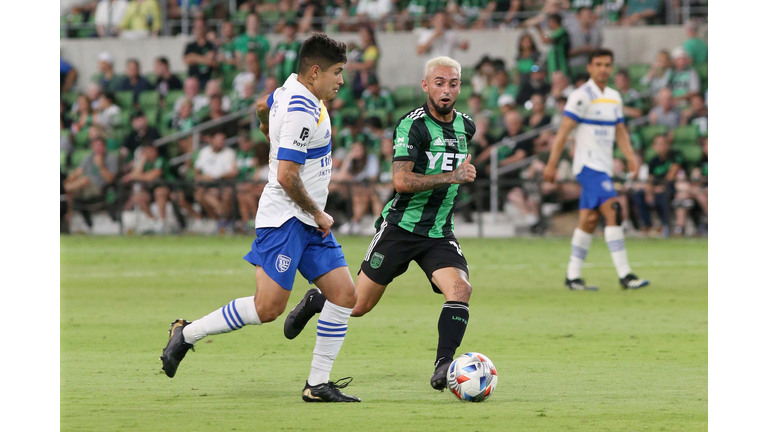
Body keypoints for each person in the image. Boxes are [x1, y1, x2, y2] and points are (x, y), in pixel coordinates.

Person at [161, 33, 361, 403]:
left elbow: (260, 105)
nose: (341, 81)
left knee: (345, 295)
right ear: (315, 71)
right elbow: (286, 176)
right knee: (267, 308)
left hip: (307, 220)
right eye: (336, 72)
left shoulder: (288, 89)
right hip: (286, 218)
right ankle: (185, 334)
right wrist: (318, 212)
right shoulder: (301, 107)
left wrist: (266, 128)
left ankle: (317, 384)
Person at [282, 56, 477, 394]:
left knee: (460, 290)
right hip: (400, 229)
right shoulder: (411, 125)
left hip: (439, 232)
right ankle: (317, 300)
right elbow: (401, 181)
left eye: (454, 83)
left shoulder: (466, 126)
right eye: (440, 83)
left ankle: (443, 364)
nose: (447, 90)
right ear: (426, 85)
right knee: (357, 306)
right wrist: (453, 177)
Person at [543, 48, 649, 291]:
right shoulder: (581, 96)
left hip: (603, 165)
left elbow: (620, 130)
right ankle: (626, 275)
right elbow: (563, 132)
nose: (603, 69)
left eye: (607, 65)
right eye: (598, 64)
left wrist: (631, 157)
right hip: (587, 165)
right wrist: (552, 164)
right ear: (590, 68)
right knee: (613, 208)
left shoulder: (614, 96)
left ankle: (572, 277)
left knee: (589, 220)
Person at [346, 25, 379, 99]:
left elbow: (368, 65)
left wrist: (353, 66)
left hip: (368, 80)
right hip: (357, 79)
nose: (363, 36)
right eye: (361, 34)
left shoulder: (372, 49)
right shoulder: (360, 49)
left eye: (365, 34)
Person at [184, 18, 217, 89]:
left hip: (207, 79)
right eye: (197, 27)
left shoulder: (211, 45)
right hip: (194, 79)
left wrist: (194, 57)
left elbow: (213, 62)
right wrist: (205, 59)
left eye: (201, 27)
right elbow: (186, 60)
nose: (199, 30)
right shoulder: (190, 46)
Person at [567, 7, 602, 74]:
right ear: (578, 16)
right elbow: (565, 53)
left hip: (592, 67)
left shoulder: (596, 32)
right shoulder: (570, 33)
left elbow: (599, 49)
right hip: (575, 66)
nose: (589, 17)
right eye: (586, 15)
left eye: (590, 15)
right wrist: (581, 49)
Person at [268, 20, 303, 85]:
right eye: (287, 28)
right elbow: (269, 63)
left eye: (292, 28)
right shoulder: (279, 46)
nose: (289, 30)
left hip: (295, 83)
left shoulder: (300, 46)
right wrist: (276, 60)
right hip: (280, 83)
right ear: (284, 30)